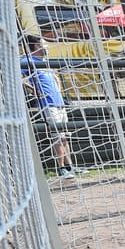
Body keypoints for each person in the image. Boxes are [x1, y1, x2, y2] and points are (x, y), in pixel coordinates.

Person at [22, 37, 79, 179]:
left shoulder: (46, 63)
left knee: (65, 136)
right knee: (57, 136)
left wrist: (58, 89)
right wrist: (33, 89)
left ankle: (70, 166)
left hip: (58, 102)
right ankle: (60, 169)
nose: (47, 46)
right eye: (43, 44)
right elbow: (19, 77)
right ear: (36, 45)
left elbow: (56, 75)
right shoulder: (27, 61)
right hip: (47, 103)